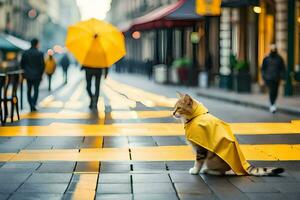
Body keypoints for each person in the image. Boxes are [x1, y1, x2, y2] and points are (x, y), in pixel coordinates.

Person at [21, 38, 45, 112]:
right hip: (37, 75)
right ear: (37, 44)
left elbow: (22, 64)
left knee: (28, 90)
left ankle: (31, 104)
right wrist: (41, 75)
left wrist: (25, 72)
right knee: (36, 90)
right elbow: (42, 65)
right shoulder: (40, 53)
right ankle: (33, 104)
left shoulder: (25, 53)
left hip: (28, 75)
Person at [262, 44, 286, 113]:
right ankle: (272, 104)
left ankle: (273, 103)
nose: (273, 50)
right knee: (271, 91)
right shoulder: (266, 58)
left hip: (276, 78)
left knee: (275, 92)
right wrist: (264, 77)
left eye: (274, 49)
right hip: (269, 79)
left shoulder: (279, 58)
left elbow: (283, 68)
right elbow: (263, 69)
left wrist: (282, 76)